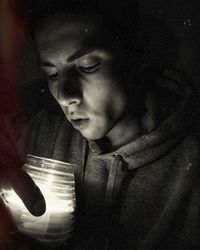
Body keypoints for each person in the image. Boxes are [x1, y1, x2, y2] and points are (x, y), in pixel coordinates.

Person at [1, 0, 200, 249]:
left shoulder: (191, 164)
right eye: (53, 74)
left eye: (87, 66)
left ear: (137, 52)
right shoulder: (40, 135)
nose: (64, 95)